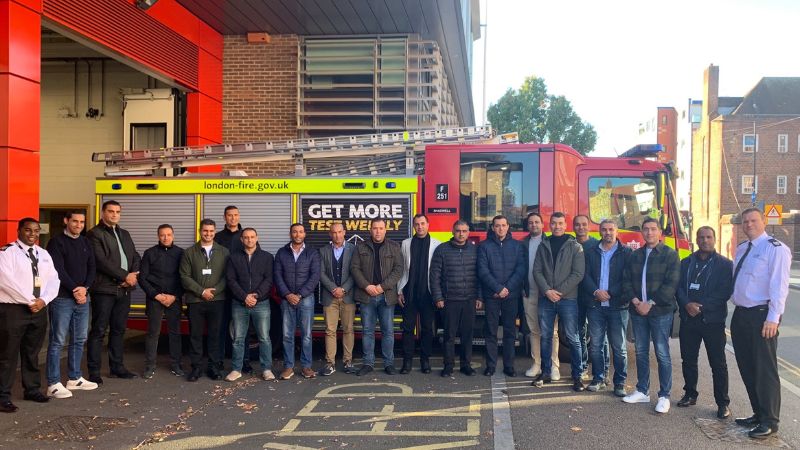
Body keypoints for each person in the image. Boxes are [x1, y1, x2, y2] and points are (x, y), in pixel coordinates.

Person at [730, 208, 792, 439]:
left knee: (765, 370)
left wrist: (773, 318)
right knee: (747, 368)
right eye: (745, 221)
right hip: (741, 315)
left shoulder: (776, 249)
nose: (749, 224)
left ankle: (770, 420)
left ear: (764, 221)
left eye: (753, 220)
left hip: (762, 316)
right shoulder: (742, 248)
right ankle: (758, 413)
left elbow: (779, 287)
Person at [0, 218, 60, 412]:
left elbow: (53, 280)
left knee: (32, 352)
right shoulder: (7, 252)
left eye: (36, 231)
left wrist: (44, 300)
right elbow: (5, 281)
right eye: (28, 230)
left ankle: (32, 389)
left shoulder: (43, 254)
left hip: (39, 309)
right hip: (14, 310)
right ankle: (3, 396)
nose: (32, 234)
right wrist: (29, 300)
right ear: (19, 231)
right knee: (7, 354)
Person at [622, 217, 680, 414]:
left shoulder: (670, 255)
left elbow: (671, 285)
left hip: (660, 312)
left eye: (653, 229)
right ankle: (642, 390)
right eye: (646, 229)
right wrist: (637, 302)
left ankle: (664, 395)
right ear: (642, 232)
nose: (649, 233)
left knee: (662, 354)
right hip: (638, 311)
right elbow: (626, 280)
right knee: (640, 352)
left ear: (660, 232)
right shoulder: (634, 255)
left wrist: (650, 304)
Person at [676, 226, 733, 419]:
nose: (705, 240)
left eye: (709, 237)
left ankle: (723, 403)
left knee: (718, 364)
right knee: (689, 360)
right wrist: (686, 304)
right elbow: (678, 288)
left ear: (714, 239)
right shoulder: (685, 263)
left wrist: (700, 307)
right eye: (701, 237)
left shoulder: (725, 265)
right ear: (697, 239)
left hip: (713, 321)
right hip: (688, 320)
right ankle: (690, 394)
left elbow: (724, 292)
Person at [87, 200, 141, 383]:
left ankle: (117, 367)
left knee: (119, 330)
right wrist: (125, 276)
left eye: (117, 211)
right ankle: (94, 372)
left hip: (124, 291)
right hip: (104, 290)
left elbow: (135, 256)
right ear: (103, 213)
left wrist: (133, 274)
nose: (114, 215)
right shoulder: (94, 234)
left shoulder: (124, 234)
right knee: (99, 331)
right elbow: (101, 262)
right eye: (111, 211)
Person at [45, 211, 97, 398]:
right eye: (75, 221)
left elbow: (93, 267)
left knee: (79, 339)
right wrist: (76, 289)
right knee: (58, 341)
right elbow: (57, 270)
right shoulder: (56, 242)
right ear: (66, 221)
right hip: (62, 298)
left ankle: (74, 378)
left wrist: (86, 288)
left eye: (82, 222)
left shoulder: (85, 242)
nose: (78, 225)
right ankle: (53, 383)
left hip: (83, 298)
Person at [532, 212, 586, 391]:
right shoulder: (543, 245)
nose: (557, 226)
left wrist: (559, 292)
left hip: (568, 299)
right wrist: (547, 291)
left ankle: (577, 376)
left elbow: (578, 274)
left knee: (573, 338)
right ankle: (546, 372)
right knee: (546, 337)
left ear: (566, 225)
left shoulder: (575, 246)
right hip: (546, 299)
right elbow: (537, 271)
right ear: (550, 225)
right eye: (554, 223)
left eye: (561, 223)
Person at [580, 219, 631, 397]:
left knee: (619, 347)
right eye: (604, 230)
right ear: (599, 231)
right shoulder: (591, 251)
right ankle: (598, 379)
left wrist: (610, 292)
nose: (607, 232)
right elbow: (584, 275)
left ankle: (620, 383)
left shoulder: (626, 252)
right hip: (595, 305)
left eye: (611, 229)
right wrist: (596, 291)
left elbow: (628, 279)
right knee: (595, 345)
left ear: (617, 231)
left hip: (618, 306)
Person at [351, 218, 403, 376]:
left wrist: (381, 287)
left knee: (388, 331)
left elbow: (398, 269)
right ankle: (368, 363)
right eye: (375, 228)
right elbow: (354, 268)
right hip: (366, 295)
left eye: (381, 228)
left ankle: (389, 364)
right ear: (370, 229)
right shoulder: (360, 247)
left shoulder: (394, 247)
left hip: (386, 296)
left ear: (385, 229)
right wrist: (367, 286)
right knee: (367, 331)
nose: (378, 231)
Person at [430, 220, 481, 377]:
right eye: (458, 230)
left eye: (464, 231)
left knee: (467, 335)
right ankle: (448, 366)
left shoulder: (474, 250)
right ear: (453, 231)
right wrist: (438, 297)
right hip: (449, 299)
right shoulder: (442, 250)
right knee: (449, 336)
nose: (461, 234)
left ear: (468, 232)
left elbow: (479, 276)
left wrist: (479, 296)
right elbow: (434, 275)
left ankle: (466, 365)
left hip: (469, 300)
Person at [180, 219, 229, 382]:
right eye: (205, 231)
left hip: (217, 300)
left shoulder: (224, 252)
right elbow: (184, 276)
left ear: (215, 232)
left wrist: (214, 292)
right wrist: (201, 291)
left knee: (215, 335)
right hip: (195, 301)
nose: (208, 234)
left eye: (211, 231)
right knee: (195, 335)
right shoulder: (189, 252)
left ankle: (214, 367)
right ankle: (196, 368)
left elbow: (227, 276)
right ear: (200, 231)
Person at [477, 215, 526, 377]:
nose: (500, 228)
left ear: (508, 227)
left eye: (503, 225)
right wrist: (498, 288)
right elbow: (482, 271)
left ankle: (509, 366)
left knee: (509, 332)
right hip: (492, 295)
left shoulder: (517, 246)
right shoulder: (484, 246)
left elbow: (520, 270)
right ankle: (490, 366)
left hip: (510, 296)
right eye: (497, 226)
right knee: (490, 331)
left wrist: (507, 289)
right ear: (492, 227)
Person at [225, 228, 275, 382]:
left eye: (252, 237)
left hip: (261, 303)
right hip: (240, 304)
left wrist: (256, 295)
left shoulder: (267, 257)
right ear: (241, 240)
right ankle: (236, 369)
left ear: (257, 238)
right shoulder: (233, 258)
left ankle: (266, 369)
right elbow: (231, 280)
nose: (249, 240)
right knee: (239, 338)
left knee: (264, 338)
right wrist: (244, 296)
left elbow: (269, 279)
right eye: (246, 237)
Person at [274, 223, 320, 380]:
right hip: (287, 300)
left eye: (300, 232)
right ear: (290, 234)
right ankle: (288, 367)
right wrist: (287, 294)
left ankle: (306, 367)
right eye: (294, 232)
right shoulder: (281, 252)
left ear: (304, 234)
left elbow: (315, 276)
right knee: (287, 335)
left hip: (306, 299)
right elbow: (277, 276)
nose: (297, 234)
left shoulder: (312, 253)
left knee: (306, 335)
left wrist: (299, 295)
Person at [139, 224, 185, 379]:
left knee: (175, 333)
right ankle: (150, 366)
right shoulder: (149, 253)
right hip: (155, 299)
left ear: (173, 235)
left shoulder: (181, 254)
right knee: (153, 333)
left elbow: (184, 278)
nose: (166, 238)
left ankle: (176, 365)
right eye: (162, 235)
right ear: (158, 236)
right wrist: (156, 295)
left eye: (169, 234)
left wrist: (175, 296)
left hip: (174, 299)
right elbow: (143, 278)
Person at [397, 214, 441, 374]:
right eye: (417, 224)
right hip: (410, 292)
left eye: (423, 223)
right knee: (408, 328)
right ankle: (407, 362)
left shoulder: (437, 244)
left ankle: (425, 361)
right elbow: (402, 269)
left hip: (428, 293)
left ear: (428, 225)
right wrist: (399, 290)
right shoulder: (406, 244)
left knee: (427, 329)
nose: (420, 227)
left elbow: (438, 271)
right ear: (414, 226)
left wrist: (438, 294)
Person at [522, 212, 560, 379]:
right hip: (529, 292)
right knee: (534, 330)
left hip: (548, 293)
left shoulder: (550, 241)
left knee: (552, 331)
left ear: (543, 224)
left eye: (537, 222)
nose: (534, 225)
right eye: (530, 223)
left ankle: (554, 366)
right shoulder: (522, 243)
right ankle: (537, 364)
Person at [214, 205, 249, 372]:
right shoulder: (218, 237)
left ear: (239, 216)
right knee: (221, 328)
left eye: (235, 215)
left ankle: (245, 362)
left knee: (244, 329)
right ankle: (219, 361)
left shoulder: (247, 236)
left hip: (242, 292)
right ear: (225, 217)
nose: (233, 218)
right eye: (229, 215)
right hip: (222, 290)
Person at [319, 223, 356, 376]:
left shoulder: (354, 250)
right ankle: (330, 363)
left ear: (344, 232)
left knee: (348, 329)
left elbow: (356, 272)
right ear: (330, 234)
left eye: (340, 232)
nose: (337, 235)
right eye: (334, 232)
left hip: (348, 296)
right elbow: (320, 273)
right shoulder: (323, 251)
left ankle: (348, 362)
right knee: (330, 331)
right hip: (330, 296)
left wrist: (344, 289)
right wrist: (334, 288)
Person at [574, 214, 606, 380]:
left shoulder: (597, 245)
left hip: (594, 296)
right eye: (577, 225)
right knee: (579, 333)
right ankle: (583, 367)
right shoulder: (570, 244)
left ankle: (604, 371)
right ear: (573, 227)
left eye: (584, 224)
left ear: (589, 226)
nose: (581, 227)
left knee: (598, 337)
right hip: (575, 296)